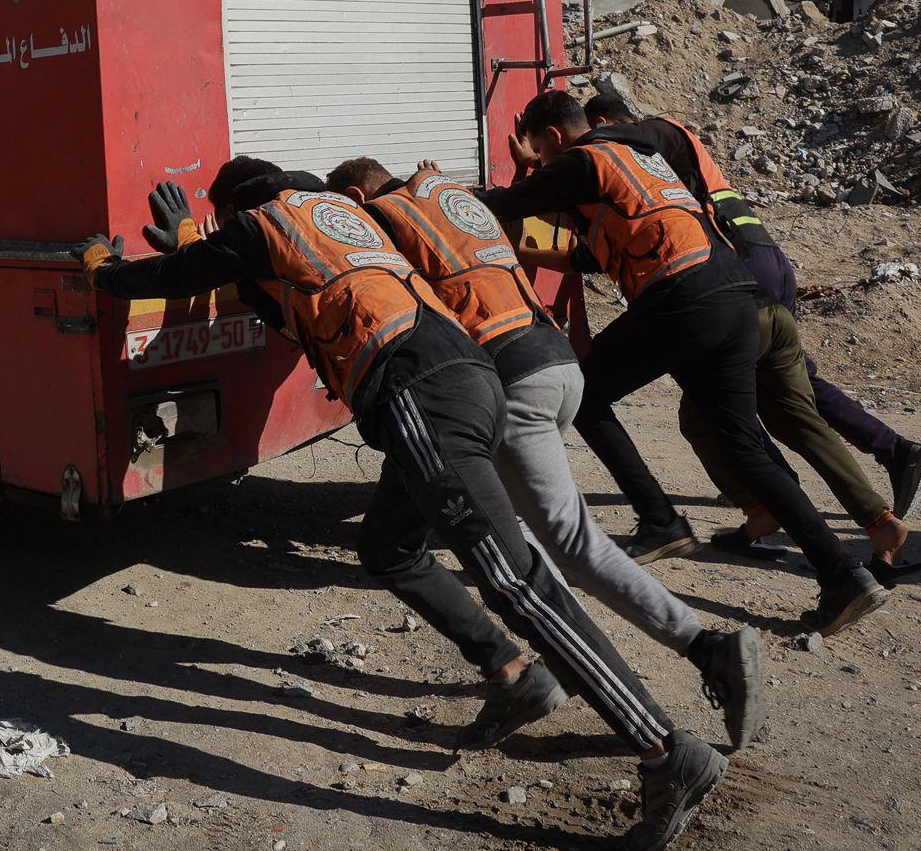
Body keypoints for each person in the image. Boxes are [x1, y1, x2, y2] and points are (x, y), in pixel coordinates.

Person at [80, 160, 727, 851]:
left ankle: (666, 751)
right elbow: (263, 293)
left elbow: (180, 278)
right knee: (389, 546)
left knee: (515, 582)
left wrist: (104, 272)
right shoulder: (340, 220)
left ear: (240, 207)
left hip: (417, 394)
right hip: (468, 376)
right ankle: (512, 673)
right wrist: (198, 246)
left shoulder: (261, 224)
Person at [324, 155, 763, 748]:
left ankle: (703, 647)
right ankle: (522, 664)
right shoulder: (444, 193)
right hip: (553, 357)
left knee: (568, 542)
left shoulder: (380, 218)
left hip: (501, 376)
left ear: (354, 194)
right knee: (495, 526)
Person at [475, 91, 889, 636]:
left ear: (553, 137)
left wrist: (416, 193)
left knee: (585, 394)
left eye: (539, 152)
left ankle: (660, 519)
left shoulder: (582, 160)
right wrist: (537, 173)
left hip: (682, 300)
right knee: (743, 443)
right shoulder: (639, 156)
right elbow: (584, 227)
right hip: (736, 296)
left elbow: (497, 206)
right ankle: (844, 575)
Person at [576, 97, 921, 586]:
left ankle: (769, 510)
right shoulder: (671, 164)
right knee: (793, 405)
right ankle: (877, 512)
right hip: (765, 263)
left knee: (717, 414)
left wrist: (572, 157)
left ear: (600, 125)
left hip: (727, 281)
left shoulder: (642, 145)